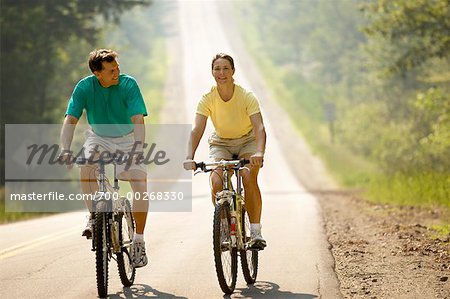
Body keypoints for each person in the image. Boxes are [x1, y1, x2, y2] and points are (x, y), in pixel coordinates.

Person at [59, 49, 149, 267]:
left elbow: (138, 119)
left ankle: (139, 240)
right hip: (98, 137)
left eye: (117, 67)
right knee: (86, 167)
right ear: (97, 73)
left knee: (139, 183)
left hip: (128, 139)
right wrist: (65, 149)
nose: (116, 72)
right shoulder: (84, 87)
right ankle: (93, 216)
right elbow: (70, 120)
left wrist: (137, 148)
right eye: (111, 70)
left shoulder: (129, 84)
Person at [183, 53, 267, 250]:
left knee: (248, 178)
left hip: (247, 141)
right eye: (217, 69)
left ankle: (255, 232)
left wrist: (259, 153)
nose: (221, 73)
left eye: (225, 69)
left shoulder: (246, 96)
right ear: (212, 72)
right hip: (221, 143)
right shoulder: (207, 99)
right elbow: (197, 129)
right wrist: (189, 156)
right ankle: (222, 227)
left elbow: (260, 127)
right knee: (216, 181)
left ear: (233, 71)